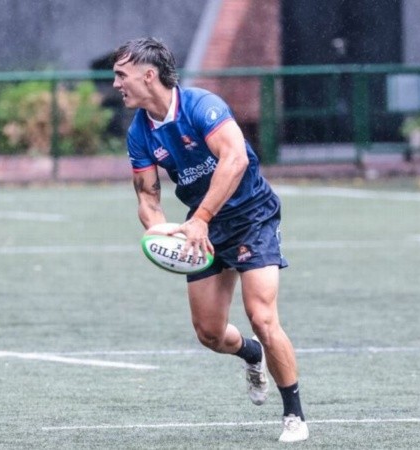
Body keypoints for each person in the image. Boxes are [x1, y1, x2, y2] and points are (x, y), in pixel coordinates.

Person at [112, 37, 308, 443]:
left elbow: (234, 160)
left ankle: (294, 415)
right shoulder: (140, 133)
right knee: (209, 333)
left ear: (149, 75)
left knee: (262, 316)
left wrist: (200, 217)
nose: (115, 83)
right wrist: (159, 230)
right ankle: (250, 355)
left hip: (252, 215)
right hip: (203, 228)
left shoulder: (202, 105)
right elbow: (148, 197)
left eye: (121, 74)